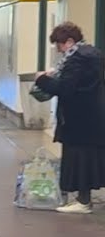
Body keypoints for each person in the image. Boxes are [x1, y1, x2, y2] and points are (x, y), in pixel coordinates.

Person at [33, 21, 105, 214]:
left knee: (80, 160)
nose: (58, 49)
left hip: (78, 119)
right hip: (90, 117)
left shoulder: (77, 59)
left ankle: (83, 202)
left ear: (70, 41)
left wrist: (41, 78)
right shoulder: (91, 55)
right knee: (90, 159)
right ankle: (83, 200)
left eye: (60, 44)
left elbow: (65, 89)